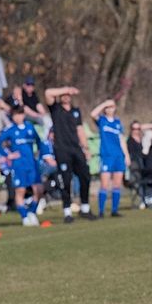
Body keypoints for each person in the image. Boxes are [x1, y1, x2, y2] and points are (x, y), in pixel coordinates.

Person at [0, 106, 55, 226]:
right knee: (20, 191)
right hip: (18, 165)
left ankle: (32, 212)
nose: (18, 117)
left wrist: (44, 155)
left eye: (20, 114)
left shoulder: (30, 127)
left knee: (39, 189)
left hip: (32, 164)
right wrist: (8, 155)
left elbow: (39, 142)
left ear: (23, 115)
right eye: (15, 115)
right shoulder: (10, 130)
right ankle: (24, 216)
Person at [45, 85, 96, 223]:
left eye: (68, 94)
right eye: (64, 94)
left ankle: (85, 208)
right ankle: (67, 211)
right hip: (62, 150)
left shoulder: (75, 111)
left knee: (85, 176)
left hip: (76, 149)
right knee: (66, 180)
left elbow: (80, 130)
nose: (66, 96)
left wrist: (86, 148)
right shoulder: (56, 109)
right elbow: (48, 92)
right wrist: (66, 89)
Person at [90, 99, 130, 217]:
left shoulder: (118, 122)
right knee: (104, 184)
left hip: (118, 156)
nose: (110, 109)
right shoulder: (102, 120)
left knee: (117, 185)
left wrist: (126, 155)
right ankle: (101, 211)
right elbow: (92, 114)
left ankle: (114, 210)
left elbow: (121, 140)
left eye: (111, 106)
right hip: (107, 156)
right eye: (108, 107)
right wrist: (104, 103)